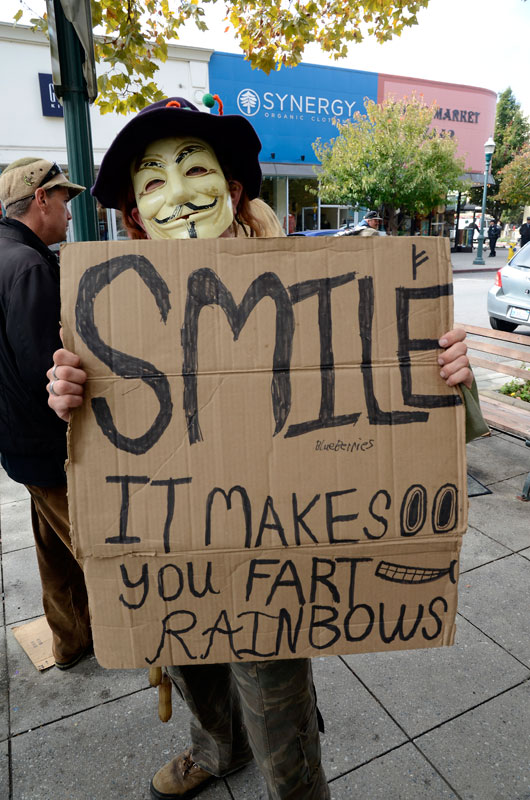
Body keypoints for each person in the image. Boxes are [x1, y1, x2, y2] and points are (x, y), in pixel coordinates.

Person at [45, 97, 474, 800]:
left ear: (235, 189)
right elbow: (93, 429)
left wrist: (445, 378)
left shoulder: (308, 283)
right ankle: (215, 751)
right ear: (134, 216)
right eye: (152, 181)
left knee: (278, 713)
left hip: (272, 565)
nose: (177, 194)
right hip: (165, 557)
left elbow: (404, 404)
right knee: (192, 672)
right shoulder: (109, 309)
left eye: (194, 169)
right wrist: (70, 400)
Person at [0, 157, 92, 669]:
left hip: (17, 442)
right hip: (45, 444)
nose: (68, 212)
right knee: (92, 550)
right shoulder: (31, 265)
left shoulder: (7, 253)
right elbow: (47, 372)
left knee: (52, 552)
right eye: (63, 200)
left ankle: (70, 641)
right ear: (40, 199)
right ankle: (129, 629)